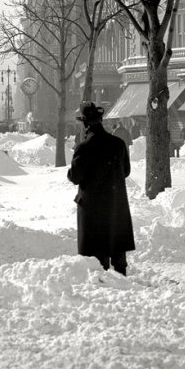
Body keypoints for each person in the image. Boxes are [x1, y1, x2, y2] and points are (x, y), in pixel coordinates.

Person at [67, 102, 135, 275]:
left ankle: (102, 283)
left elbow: (74, 177)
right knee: (117, 241)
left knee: (97, 251)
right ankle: (122, 279)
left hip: (92, 206)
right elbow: (125, 171)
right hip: (115, 201)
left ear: (84, 123)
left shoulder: (84, 147)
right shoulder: (118, 144)